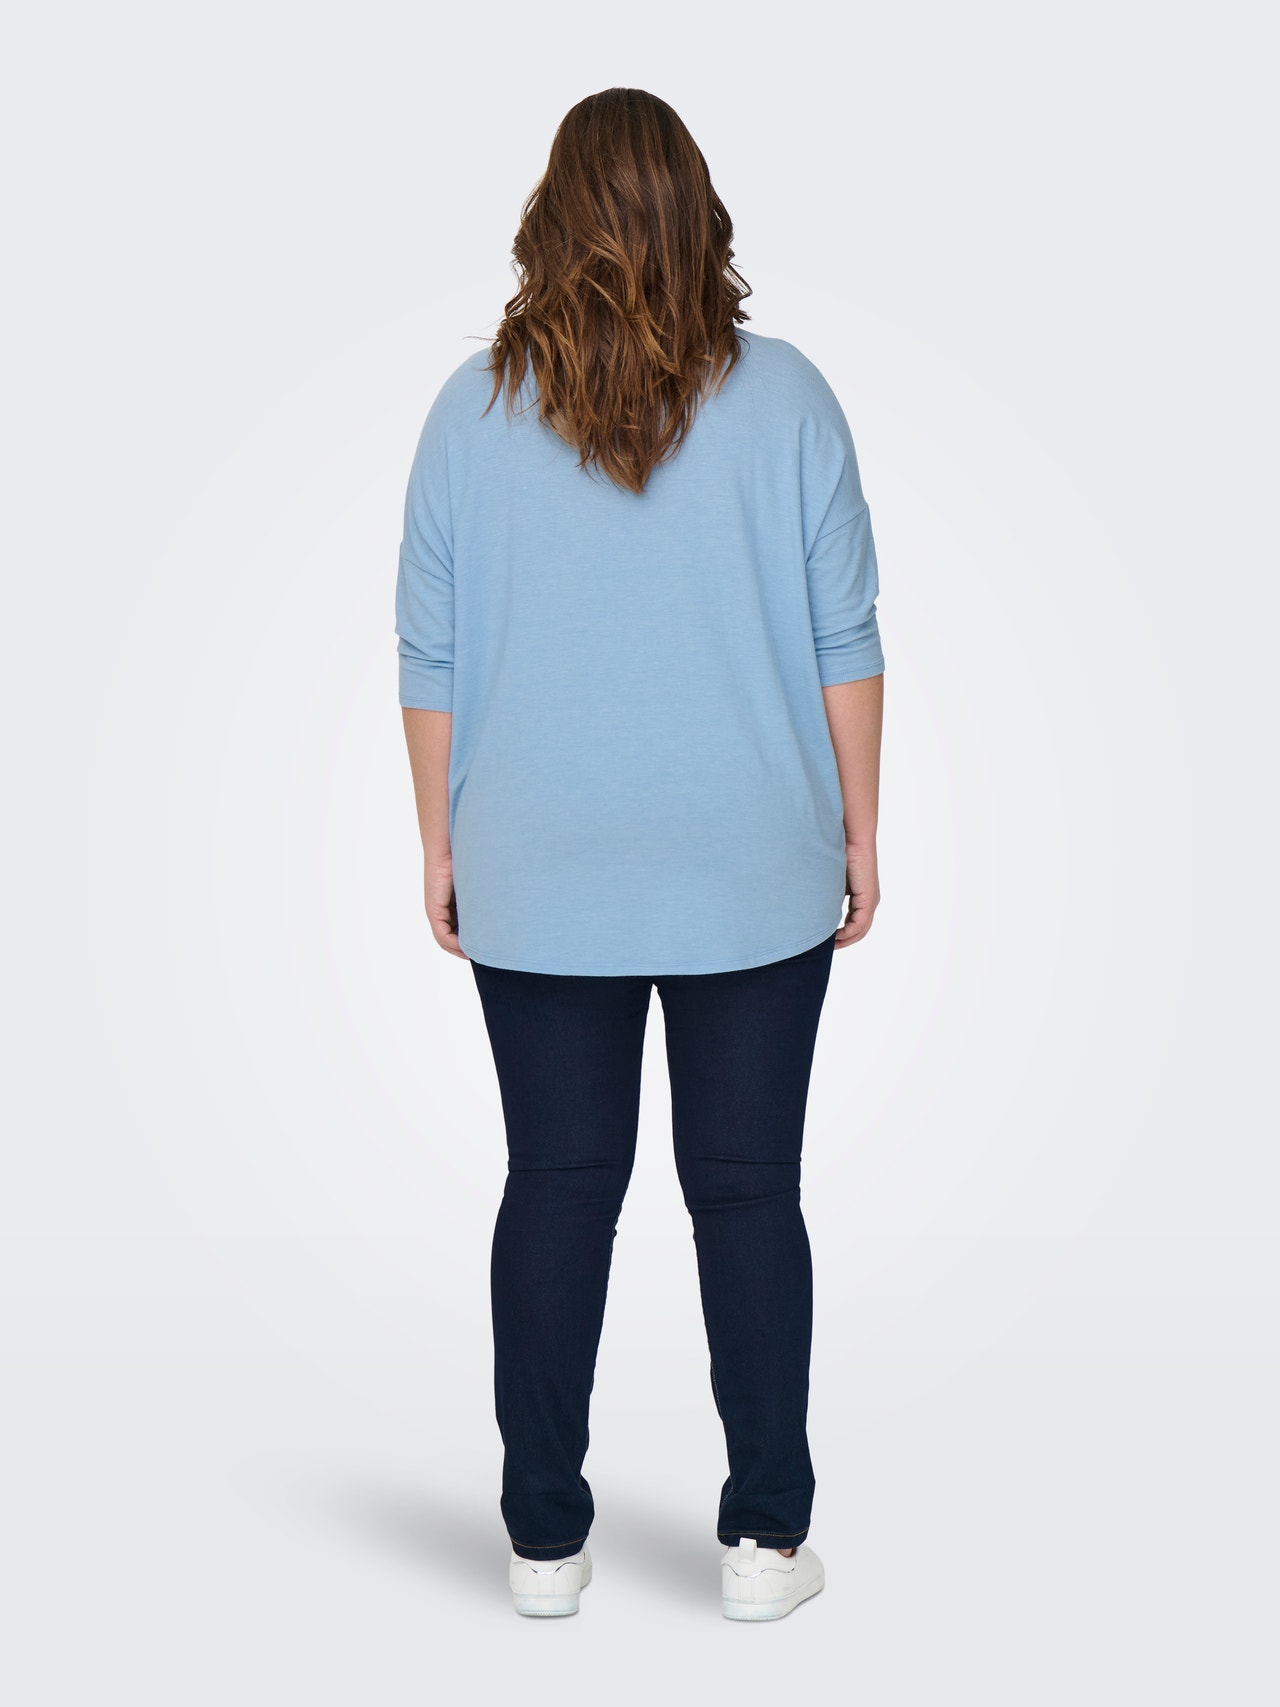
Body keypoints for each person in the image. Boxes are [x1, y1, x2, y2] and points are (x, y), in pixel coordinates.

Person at [395, 87, 885, 1622]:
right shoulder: (789, 398)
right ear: (700, 219)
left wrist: (441, 842)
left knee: (557, 1186)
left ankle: (544, 1546)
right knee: (747, 1194)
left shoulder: (470, 411)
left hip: (540, 864)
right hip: (752, 861)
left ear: (548, 224)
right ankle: (765, 1548)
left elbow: (430, 654)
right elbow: (846, 639)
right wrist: (861, 827)